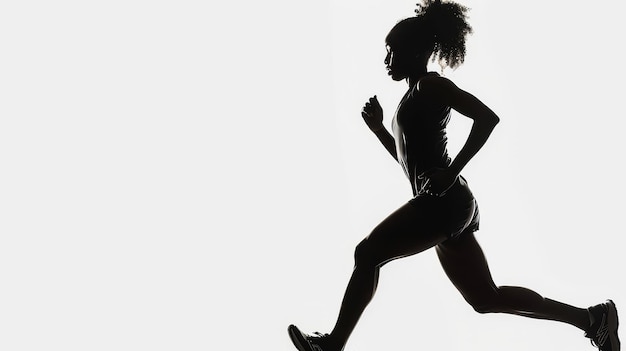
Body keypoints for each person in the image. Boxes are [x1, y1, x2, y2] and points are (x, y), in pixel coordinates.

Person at [287, 1, 620, 351]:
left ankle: (332, 345)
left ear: (417, 52)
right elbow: (410, 166)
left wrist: (451, 171)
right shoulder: (409, 99)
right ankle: (592, 319)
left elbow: (486, 118)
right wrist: (379, 131)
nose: (387, 59)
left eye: (392, 51)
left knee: (368, 253)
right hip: (443, 203)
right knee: (485, 298)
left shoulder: (431, 86)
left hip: (444, 202)